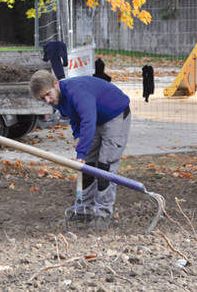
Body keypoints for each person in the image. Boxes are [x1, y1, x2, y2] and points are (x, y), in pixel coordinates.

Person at [29, 70, 131, 231]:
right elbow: (75, 118)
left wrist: (81, 153)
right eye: (43, 98)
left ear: (56, 84)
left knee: (105, 166)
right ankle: (85, 211)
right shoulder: (59, 100)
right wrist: (78, 138)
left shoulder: (77, 91)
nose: (48, 100)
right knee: (87, 167)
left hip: (115, 115)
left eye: (48, 94)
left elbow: (88, 121)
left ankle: (103, 214)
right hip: (95, 118)